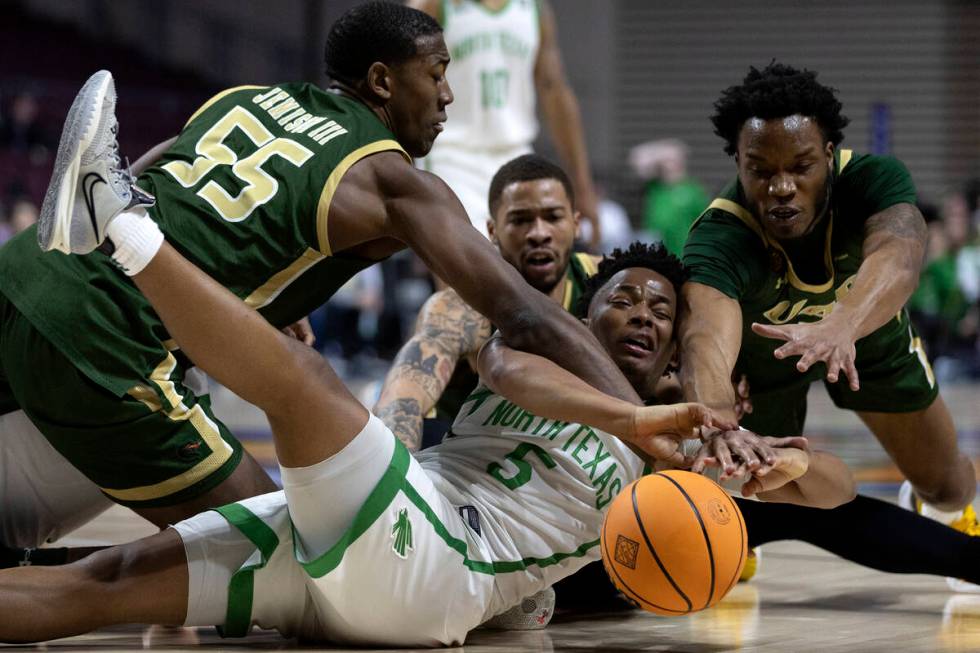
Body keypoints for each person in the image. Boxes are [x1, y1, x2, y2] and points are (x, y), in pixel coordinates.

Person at [1, 214, 856, 644]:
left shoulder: (684, 447)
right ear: (579, 313)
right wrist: (629, 416)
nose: (639, 312)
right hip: (376, 538)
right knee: (101, 584)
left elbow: (838, 492)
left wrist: (784, 469)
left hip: (434, 569)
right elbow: (517, 373)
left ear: (673, 343)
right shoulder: (537, 352)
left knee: (302, 382)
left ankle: (122, 227)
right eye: (621, 297)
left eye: (659, 309)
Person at [0, 2, 643, 550]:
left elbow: (155, 173)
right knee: (285, 558)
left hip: (26, 268)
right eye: (438, 74)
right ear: (382, 82)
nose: (449, 93)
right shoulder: (393, 180)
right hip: (107, 333)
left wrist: (264, 294)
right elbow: (526, 314)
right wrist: (646, 429)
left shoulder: (247, 97)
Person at [678, 62, 978, 535]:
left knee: (948, 487)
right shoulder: (719, 238)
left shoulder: (871, 179)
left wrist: (842, 325)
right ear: (738, 162)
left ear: (829, 154)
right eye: (760, 170)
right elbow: (703, 339)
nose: (781, 187)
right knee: (766, 492)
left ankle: (946, 504)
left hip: (871, 342)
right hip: (768, 367)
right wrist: (718, 425)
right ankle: (732, 539)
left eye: (801, 167)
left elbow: (901, 257)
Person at [374, 153, 598, 451]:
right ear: (492, 231)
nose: (539, 234)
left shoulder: (605, 283)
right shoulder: (463, 306)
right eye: (520, 220)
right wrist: (401, 482)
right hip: (470, 461)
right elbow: (402, 402)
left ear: (576, 223)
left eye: (553, 217)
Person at [407, 0, 601, 245]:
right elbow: (401, 79)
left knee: (532, 267)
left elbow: (554, 90)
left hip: (514, 155)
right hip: (450, 156)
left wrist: (583, 188)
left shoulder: (533, 9)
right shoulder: (433, 4)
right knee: (465, 272)